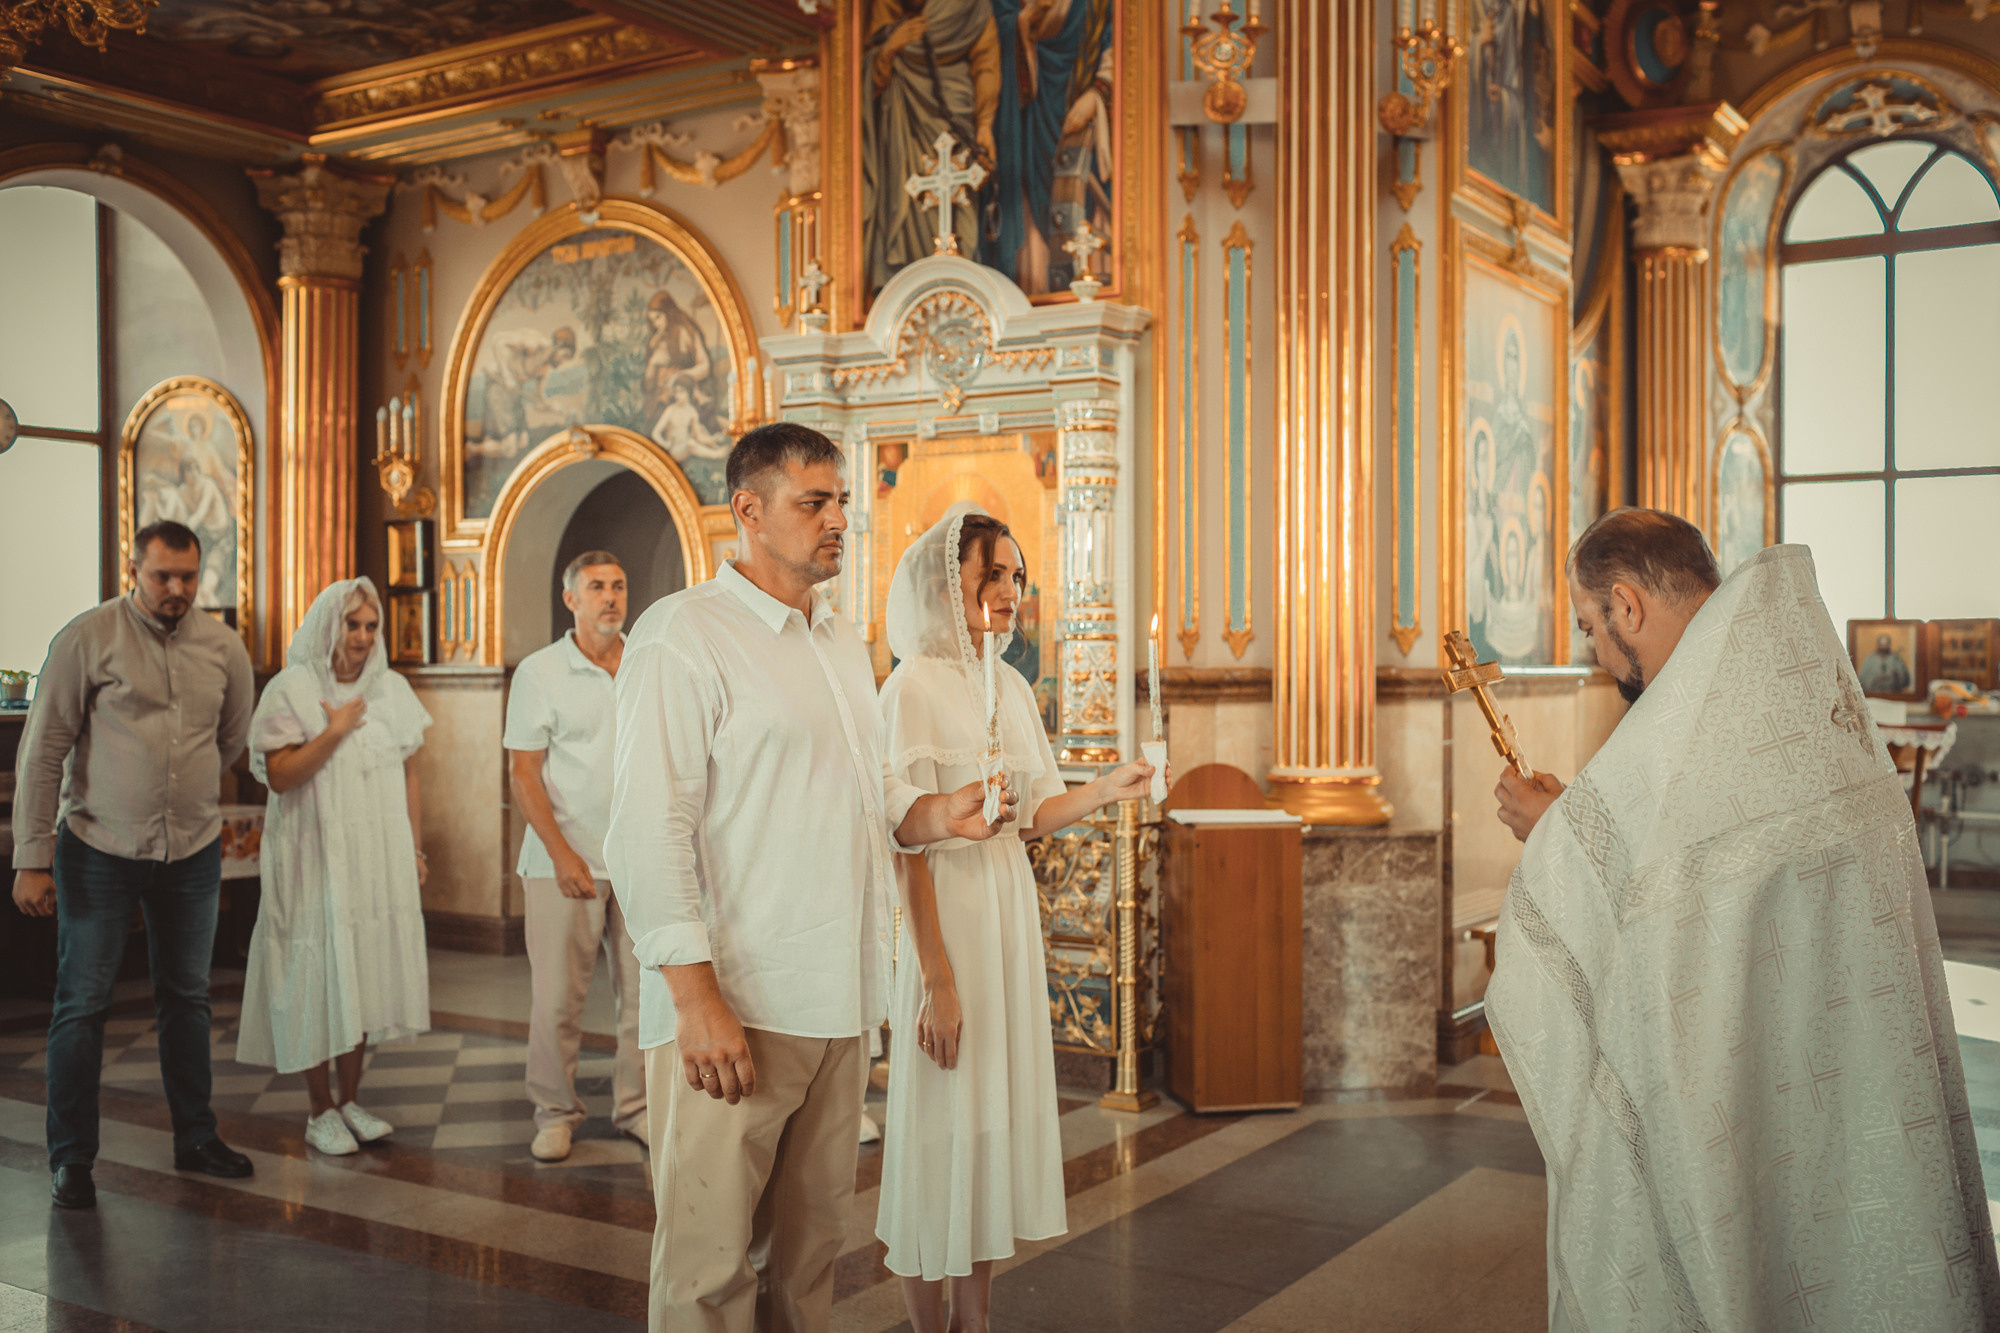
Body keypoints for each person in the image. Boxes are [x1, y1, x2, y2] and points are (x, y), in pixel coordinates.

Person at [1488, 508, 1998, 1330]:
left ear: (1626, 605)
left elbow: (1677, 909)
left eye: (1589, 626)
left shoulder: (1707, 711)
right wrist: (1570, 824)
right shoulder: (1784, 679)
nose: (1596, 652)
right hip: (1859, 1075)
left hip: (1754, 1086)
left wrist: (1553, 832)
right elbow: (1702, 865)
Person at [607, 422, 1017, 1333]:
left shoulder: (834, 638)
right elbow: (646, 830)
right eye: (815, 502)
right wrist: (694, 998)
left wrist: (938, 814)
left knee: (808, 1257)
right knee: (709, 1266)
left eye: (843, 502)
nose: (839, 520)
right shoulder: (683, 635)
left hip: (838, 999)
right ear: (748, 511)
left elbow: (869, 794)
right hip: (740, 1002)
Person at [874, 505, 1155, 1333]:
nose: (1009, 590)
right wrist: (936, 979)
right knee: (937, 1130)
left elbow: (1031, 815)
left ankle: (978, 1318)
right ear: (946, 584)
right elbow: (905, 841)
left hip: (1002, 908)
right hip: (945, 918)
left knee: (986, 1125)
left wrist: (1105, 788)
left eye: (1018, 576)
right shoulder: (911, 686)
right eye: (991, 573)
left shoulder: (1012, 685)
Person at [11, 520, 256, 1209]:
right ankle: (71, 1159)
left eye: (188, 576)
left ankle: (196, 1137)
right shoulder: (88, 638)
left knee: (189, 998)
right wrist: (32, 857)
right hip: (99, 848)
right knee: (82, 1004)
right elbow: (43, 749)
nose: (177, 588)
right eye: (162, 575)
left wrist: (179, 792)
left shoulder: (223, 647)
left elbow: (231, 737)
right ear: (133, 570)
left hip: (191, 849)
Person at [236, 578, 433, 1157]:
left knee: (363, 968)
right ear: (329, 624)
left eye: (371, 626)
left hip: (376, 855)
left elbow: (411, 774)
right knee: (315, 974)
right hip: (312, 856)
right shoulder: (293, 688)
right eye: (352, 624)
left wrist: (415, 849)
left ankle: (350, 1101)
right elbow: (281, 776)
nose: (363, 637)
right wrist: (336, 730)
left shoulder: (390, 688)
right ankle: (318, 1109)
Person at [505, 551, 645, 1163]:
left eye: (618, 585)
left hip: (638, 861)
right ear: (571, 599)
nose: (610, 597)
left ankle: (637, 1107)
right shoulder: (540, 672)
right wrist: (562, 854)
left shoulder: (647, 661)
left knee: (646, 999)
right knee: (559, 1001)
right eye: (596, 587)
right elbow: (524, 773)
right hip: (564, 861)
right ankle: (556, 1113)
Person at [1858, 630, 1913, 695]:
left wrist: (1897, 676)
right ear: (1878, 645)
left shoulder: (1896, 658)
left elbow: (1904, 678)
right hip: (1874, 694)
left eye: (1886, 645)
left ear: (1889, 645)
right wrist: (1874, 678)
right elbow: (1863, 677)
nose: (1883, 648)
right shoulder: (1870, 659)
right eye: (1881, 645)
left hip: (1893, 694)